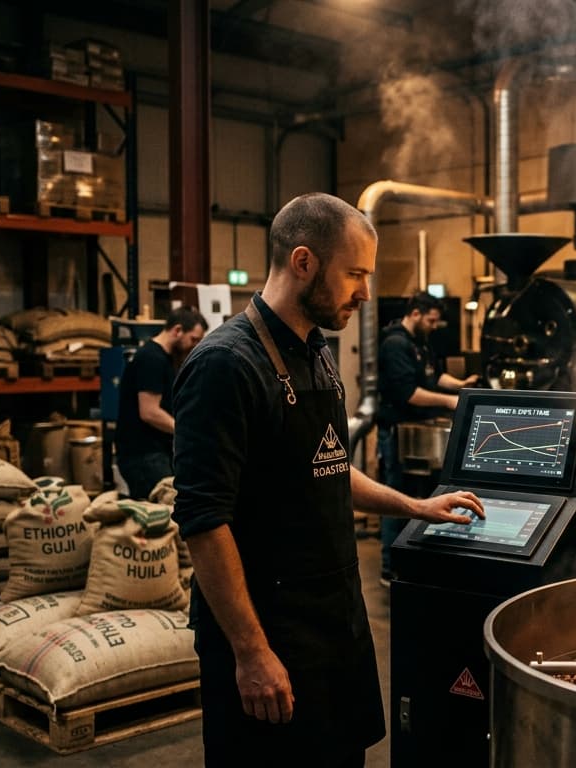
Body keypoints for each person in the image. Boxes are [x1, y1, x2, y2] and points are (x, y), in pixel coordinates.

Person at [171, 192, 485, 767]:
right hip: (271, 633)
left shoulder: (315, 352)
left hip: (334, 620)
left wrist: (417, 507)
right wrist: (251, 651)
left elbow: (329, 468)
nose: (365, 293)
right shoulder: (225, 366)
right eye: (356, 274)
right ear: (303, 262)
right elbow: (203, 522)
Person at [376, 291, 480, 581]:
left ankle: (418, 561)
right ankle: (391, 567)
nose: (435, 326)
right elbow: (409, 393)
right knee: (397, 498)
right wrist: (450, 402)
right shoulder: (395, 344)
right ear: (416, 313)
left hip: (418, 430)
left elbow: (433, 378)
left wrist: (462, 386)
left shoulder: (419, 343)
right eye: (432, 321)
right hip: (398, 434)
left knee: (422, 497)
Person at [114, 305, 207, 500]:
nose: (195, 345)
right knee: (162, 511)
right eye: (194, 339)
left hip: (155, 453)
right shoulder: (151, 358)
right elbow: (149, 412)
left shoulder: (165, 359)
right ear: (177, 330)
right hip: (143, 456)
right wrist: (187, 431)